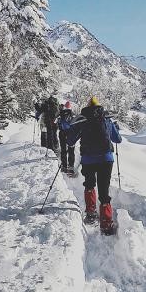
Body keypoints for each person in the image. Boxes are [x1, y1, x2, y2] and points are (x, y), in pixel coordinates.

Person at [65, 96, 122, 233]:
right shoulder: (106, 119)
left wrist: (71, 129)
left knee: (89, 184)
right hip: (106, 159)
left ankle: (91, 214)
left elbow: (70, 142)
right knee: (104, 190)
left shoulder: (82, 120)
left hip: (88, 159)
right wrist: (115, 128)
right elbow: (117, 140)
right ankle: (106, 224)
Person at [57, 101, 76, 176]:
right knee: (71, 150)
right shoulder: (73, 115)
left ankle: (64, 166)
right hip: (71, 134)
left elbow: (56, 123)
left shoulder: (60, 114)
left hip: (62, 133)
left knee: (63, 150)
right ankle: (71, 167)